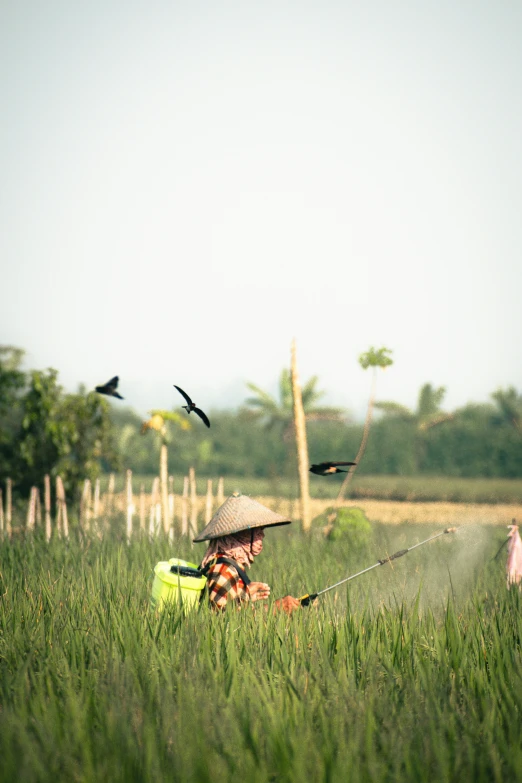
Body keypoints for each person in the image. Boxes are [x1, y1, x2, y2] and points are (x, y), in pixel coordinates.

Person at [194, 492, 301, 614]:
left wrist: (244, 594)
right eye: (256, 531)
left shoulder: (229, 566)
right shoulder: (223, 569)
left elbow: (234, 611)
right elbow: (224, 621)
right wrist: (276, 608)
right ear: (241, 535)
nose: (262, 535)